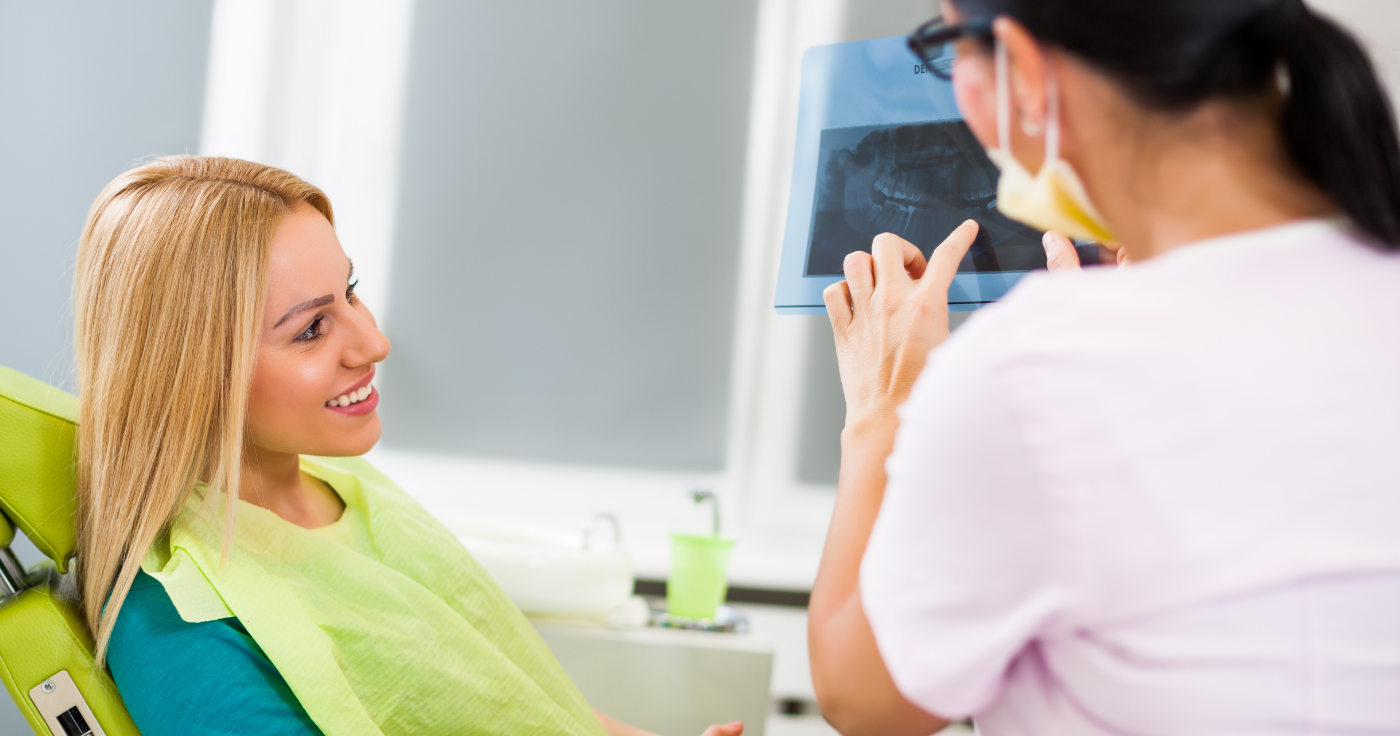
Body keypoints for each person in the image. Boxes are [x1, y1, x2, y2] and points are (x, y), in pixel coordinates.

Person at [806, 0, 1400, 734]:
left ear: (1020, 68)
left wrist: (880, 407)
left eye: (946, 43)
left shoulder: (1035, 374)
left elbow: (863, 698)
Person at [74, 156, 745, 736]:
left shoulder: (351, 493)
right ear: (190, 373)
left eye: (351, 294)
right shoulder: (177, 614)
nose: (374, 345)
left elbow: (515, 709)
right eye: (311, 329)